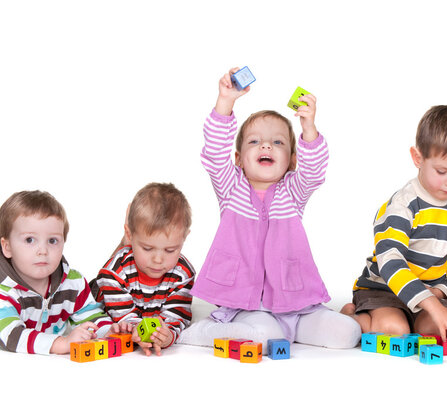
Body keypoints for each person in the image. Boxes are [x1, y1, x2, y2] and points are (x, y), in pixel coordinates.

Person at [178, 68, 361, 350]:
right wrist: (225, 101)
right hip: (247, 304)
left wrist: (308, 127)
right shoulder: (230, 187)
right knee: (265, 338)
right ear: (239, 158)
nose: (266, 144)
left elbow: (314, 172)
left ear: (291, 161)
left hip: (296, 303)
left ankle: (290, 330)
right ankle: (204, 332)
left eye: (278, 142)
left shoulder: (293, 191)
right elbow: (214, 153)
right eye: (255, 141)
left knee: (348, 334)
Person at [341, 104, 447, 345]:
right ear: (418, 158)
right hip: (384, 290)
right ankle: (353, 316)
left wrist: (437, 295)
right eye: (442, 171)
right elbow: (390, 263)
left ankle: (424, 314)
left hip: (429, 295)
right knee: (395, 329)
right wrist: (433, 305)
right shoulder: (403, 205)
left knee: (438, 332)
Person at [0, 190, 118, 355]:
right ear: (7, 247)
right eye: (29, 240)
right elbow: (11, 337)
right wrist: (61, 343)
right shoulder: (4, 291)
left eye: (52, 241)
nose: (43, 250)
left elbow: (90, 316)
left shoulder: (72, 283)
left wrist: (109, 331)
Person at [90, 182, 196, 356]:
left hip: (141, 298)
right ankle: (126, 242)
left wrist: (167, 335)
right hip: (101, 294)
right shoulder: (113, 274)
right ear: (132, 236)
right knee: (107, 273)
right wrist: (137, 331)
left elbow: (177, 317)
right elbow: (122, 318)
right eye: (148, 248)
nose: (158, 259)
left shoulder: (183, 273)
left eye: (170, 250)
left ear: (184, 238)